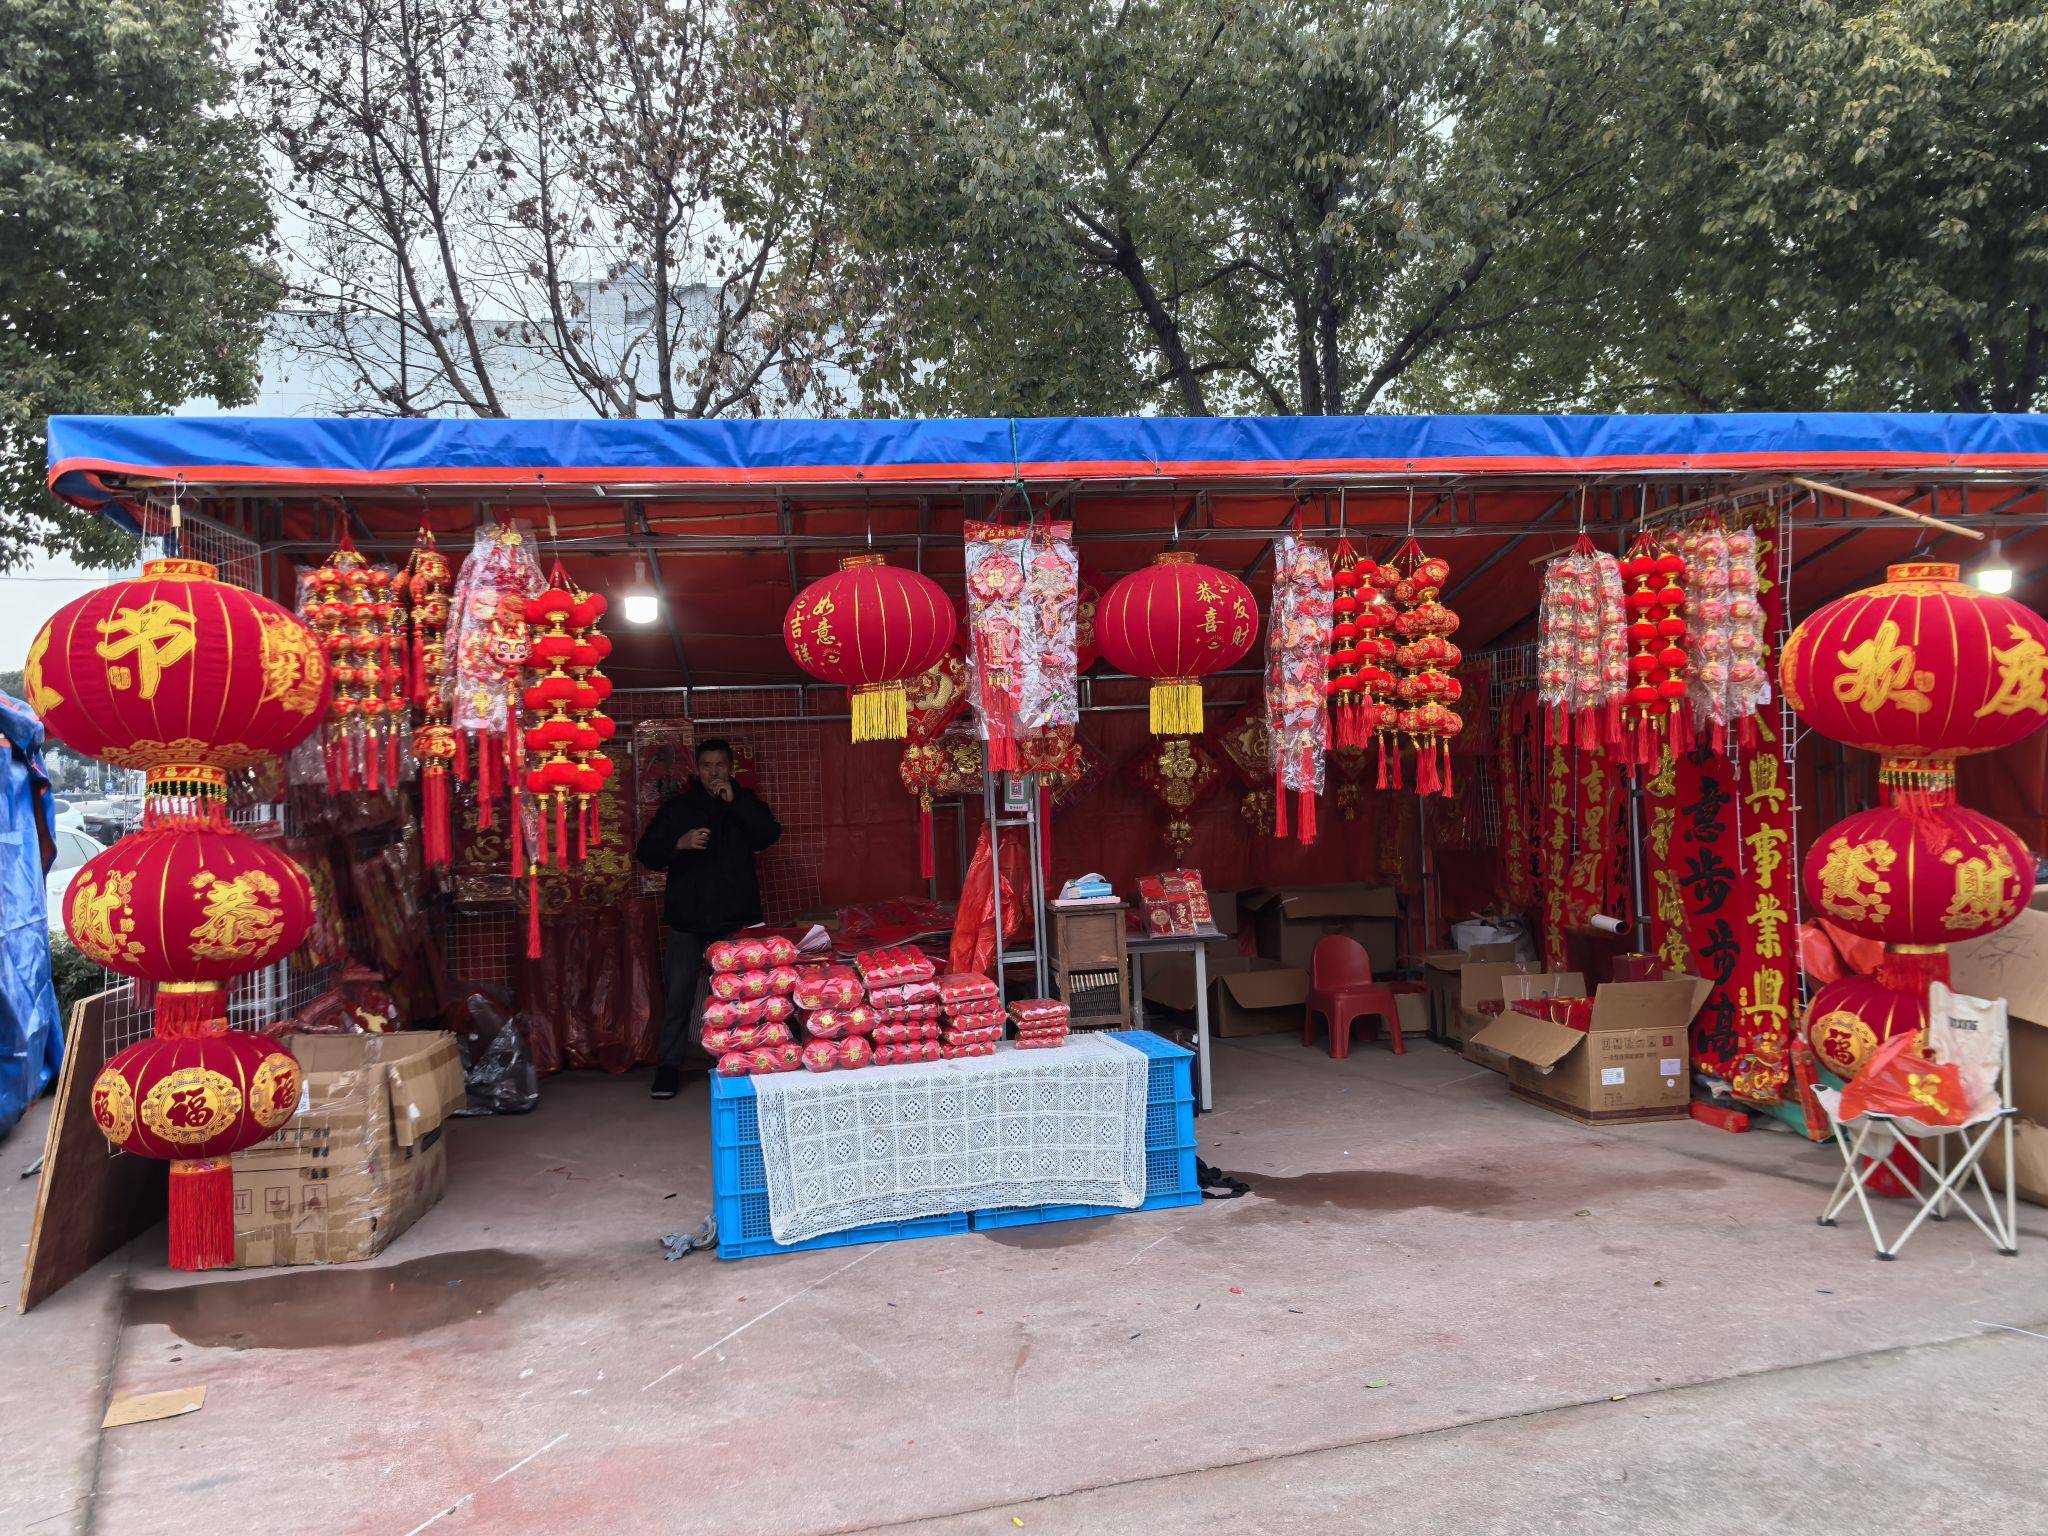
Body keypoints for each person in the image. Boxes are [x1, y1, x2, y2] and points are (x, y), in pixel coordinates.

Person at [634, 738, 781, 1099]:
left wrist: (735, 805)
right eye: (707, 766)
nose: (713, 772)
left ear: (730, 768)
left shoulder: (745, 801)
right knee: (679, 995)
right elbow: (646, 853)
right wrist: (679, 844)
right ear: (697, 769)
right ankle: (669, 1067)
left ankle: (744, 1061)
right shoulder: (679, 808)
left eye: (720, 765)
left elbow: (768, 835)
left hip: (735, 916)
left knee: (744, 996)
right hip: (689, 918)